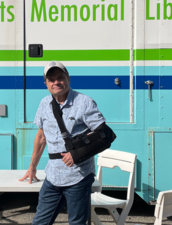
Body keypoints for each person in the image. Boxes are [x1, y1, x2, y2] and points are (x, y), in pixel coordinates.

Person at [19, 61, 108, 225]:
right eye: (51, 79)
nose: (56, 82)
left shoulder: (84, 102)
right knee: (39, 222)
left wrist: (77, 154)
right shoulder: (45, 103)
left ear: (68, 78)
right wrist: (32, 167)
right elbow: (41, 137)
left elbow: (105, 135)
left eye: (60, 77)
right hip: (52, 176)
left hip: (78, 177)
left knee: (76, 223)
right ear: (45, 83)